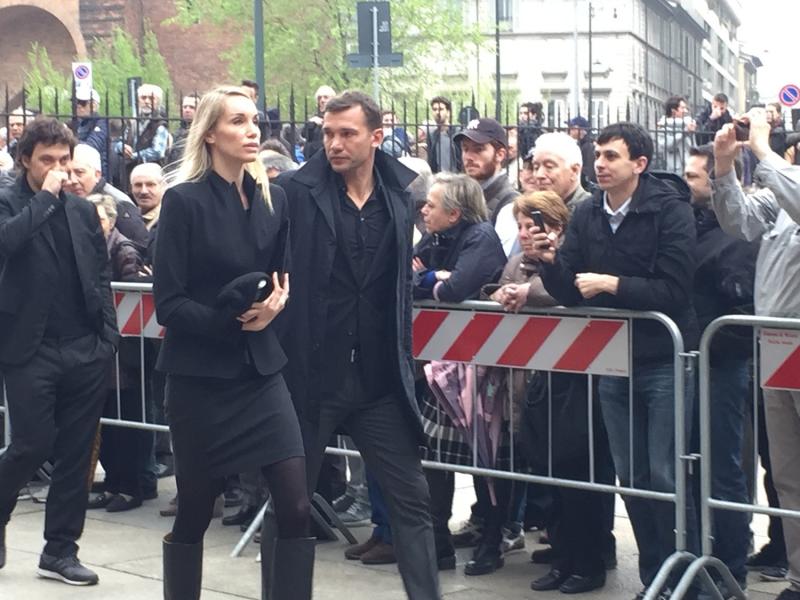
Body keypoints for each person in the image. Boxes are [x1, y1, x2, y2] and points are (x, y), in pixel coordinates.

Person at [276, 90, 441, 600]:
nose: (334, 143)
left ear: (376, 136)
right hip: (311, 376)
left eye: (346, 133)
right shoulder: (295, 192)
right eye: (328, 133)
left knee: (412, 499)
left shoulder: (399, 193)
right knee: (292, 506)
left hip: (377, 380)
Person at [153, 85, 313, 600]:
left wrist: (275, 305)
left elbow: (281, 278)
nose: (252, 131)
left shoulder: (275, 195)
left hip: (260, 374)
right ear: (211, 133)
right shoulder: (183, 201)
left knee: (296, 505)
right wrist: (232, 321)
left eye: (255, 121)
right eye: (239, 122)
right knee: (197, 509)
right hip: (200, 377)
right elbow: (169, 304)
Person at [539, 122, 699, 598]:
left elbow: (675, 289)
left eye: (611, 156)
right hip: (613, 360)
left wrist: (612, 284)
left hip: (664, 359)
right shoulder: (588, 213)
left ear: (640, 164)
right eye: (598, 155)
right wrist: (550, 262)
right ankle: (656, 578)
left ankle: (686, 579)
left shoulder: (669, 211)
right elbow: (571, 292)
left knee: (665, 473)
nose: (600, 164)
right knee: (631, 476)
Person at [0, 117, 119, 585]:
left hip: (85, 347)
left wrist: (107, 338)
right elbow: (7, 244)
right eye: (47, 159)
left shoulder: (83, 210)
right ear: (25, 159)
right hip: (30, 348)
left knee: (76, 452)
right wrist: (46, 196)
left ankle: (60, 550)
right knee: (31, 443)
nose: (58, 169)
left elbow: (100, 275)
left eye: (64, 160)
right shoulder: (8, 201)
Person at [712, 107, 800, 600]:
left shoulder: (789, 181)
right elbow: (739, 222)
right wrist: (725, 168)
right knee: (788, 473)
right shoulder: (784, 185)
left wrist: (763, 152)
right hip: (779, 346)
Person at [411, 172, 507, 575]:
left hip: (485, 366)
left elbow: (457, 290)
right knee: (436, 453)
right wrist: (434, 277)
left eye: (431, 205)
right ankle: (438, 544)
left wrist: (431, 279)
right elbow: (405, 279)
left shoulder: (480, 238)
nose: (423, 210)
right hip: (443, 366)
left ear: (453, 213)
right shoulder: (435, 238)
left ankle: (492, 540)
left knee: (489, 456)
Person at [684, 144, 758, 592]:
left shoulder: (735, 233)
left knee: (722, 468)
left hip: (722, 363)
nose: (684, 184)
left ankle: (730, 567)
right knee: (691, 463)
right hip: (689, 360)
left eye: (693, 177)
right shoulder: (689, 225)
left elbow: (738, 300)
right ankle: (699, 556)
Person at [495, 132, 590, 256]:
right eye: (535, 167)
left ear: (574, 170)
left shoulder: (589, 214)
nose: (539, 175)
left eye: (549, 167)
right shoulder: (528, 210)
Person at [67, 143, 149, 250]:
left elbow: (140, 249)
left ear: (97, 174)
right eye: (68, 173)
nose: (72, 180)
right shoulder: (66, 200)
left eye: (79, 172)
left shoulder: (120, 205)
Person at [454, 117, 518, 229]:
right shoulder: (458, 195)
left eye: (478, 149)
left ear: (500, 155)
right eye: (465, 149)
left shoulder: (510, 204)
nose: (468, 157)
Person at [656, 95, 697, 176]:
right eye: (682, 108)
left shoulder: (689, 123)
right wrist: (684, 132)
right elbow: (667, 145)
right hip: (675, 169)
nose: (685, 111)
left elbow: (694, 145)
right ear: (673, 111)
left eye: (686, 108)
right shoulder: (663, 125)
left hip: (690, 165)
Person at [74, 89, 109, 177]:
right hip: (81, 171)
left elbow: (91, 146)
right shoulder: (78, 123)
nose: (78, 106)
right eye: (76, 102)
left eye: (82, 103)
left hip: (97, 173)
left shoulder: (101, 123)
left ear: (93, 105)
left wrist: (69, 140)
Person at [427, 96, 462, 174]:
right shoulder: (432, 135)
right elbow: (431, 159)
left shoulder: (457, 132)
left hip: (456, 177)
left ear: (448, 112)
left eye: (441, 109)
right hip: (439, 177)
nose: (437, 112)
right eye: (434, 109)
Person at [301, 84, 336, 159]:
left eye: (325, 97)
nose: (322, 100)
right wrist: (311, 123)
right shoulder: (315, 117)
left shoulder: (337, 116)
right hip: (311, 158)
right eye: (319, 98)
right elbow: (304, 134)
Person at [166, 93, 200, 168]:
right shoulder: (178, 132)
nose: (187, 110)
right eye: (185, 107)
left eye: (192, 107)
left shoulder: (203, 132)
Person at [567, 116, 596, 187]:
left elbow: (588, 171)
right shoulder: (579, 144)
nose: (570, 130)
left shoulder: (588, 146)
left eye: (573, 128)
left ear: (583, 130)